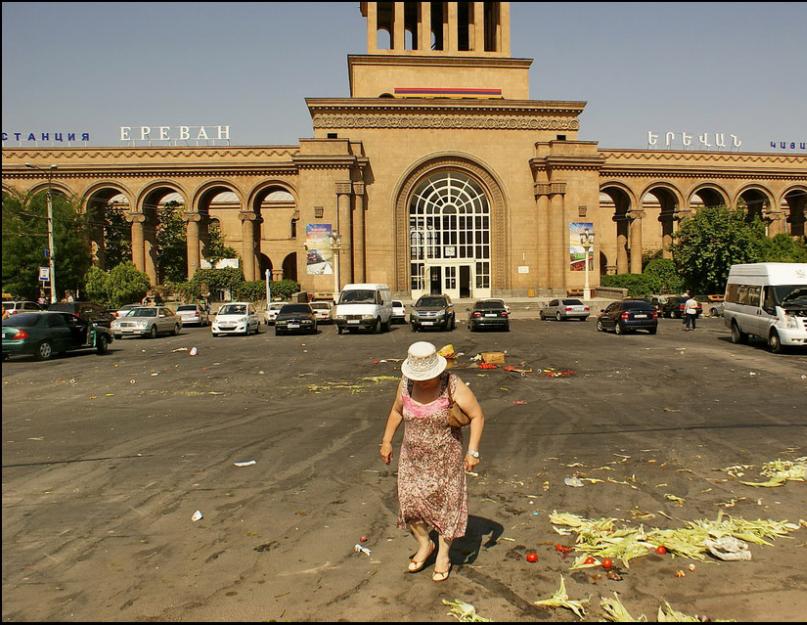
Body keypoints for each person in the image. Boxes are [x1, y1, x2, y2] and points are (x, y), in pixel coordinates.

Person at [379, 341, 485, 582]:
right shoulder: (405, 385)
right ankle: (426, 544)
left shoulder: (452, 385)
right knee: (410, 504)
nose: (423, 381)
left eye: (427, 376)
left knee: (448, 507)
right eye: (419, 376)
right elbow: (396, 412)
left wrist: (473, 452)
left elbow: (477, 415)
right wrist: (386, 441)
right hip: (412, 459)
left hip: (446, 459)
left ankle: (444, 555)